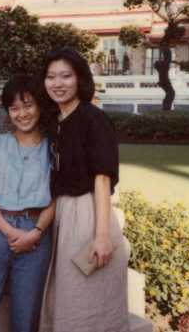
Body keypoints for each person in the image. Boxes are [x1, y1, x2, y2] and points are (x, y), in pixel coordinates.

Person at [40, 47, 129, 332]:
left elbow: (102, 179)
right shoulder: (53, 120)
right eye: (51, 76)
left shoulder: (93, 119)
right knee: (65, 296)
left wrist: (101, 236)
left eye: (66, 76)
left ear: (79, 78)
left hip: (88, 212)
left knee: (86, 296)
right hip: (60, 212)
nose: (58, 83)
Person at [0, 75, 55, 332]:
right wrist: (9, 231)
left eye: (28, 105)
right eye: (14, 108)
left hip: (36, 233)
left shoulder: (53, 147)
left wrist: (35, 232)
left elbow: (56, 197)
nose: (22, 114)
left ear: (39, 106)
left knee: (25, 317)